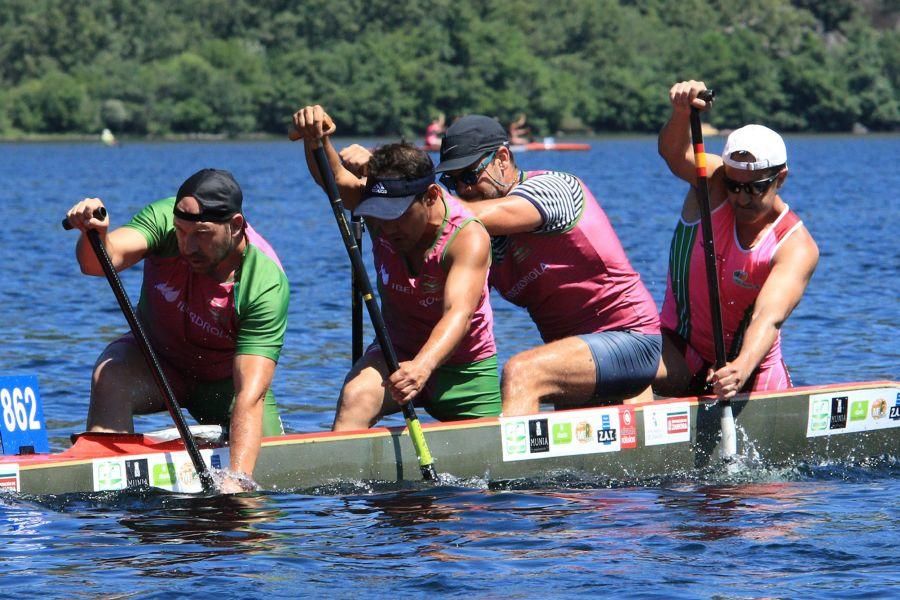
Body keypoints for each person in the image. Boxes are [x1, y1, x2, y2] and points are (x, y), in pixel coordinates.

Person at [65, 169, 289, 490]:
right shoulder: (164, 218)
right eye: (181, 232)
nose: (187, 246)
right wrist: (96, 235)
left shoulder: (264, 284)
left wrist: (237, 480)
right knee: (110, 371)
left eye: (201, 234)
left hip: (224, 388)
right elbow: (98, 262)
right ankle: (108, 495)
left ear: (236, 226)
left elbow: (249, 396)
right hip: (156, 364)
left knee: (261, 478)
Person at [432, 115, 662, 417]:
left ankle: (510, 466)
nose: (464, 189)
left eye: (470, 176)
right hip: (576, 360)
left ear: (502, 158)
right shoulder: (480, 240)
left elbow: (461, 216)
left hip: (632, 340)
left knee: (522, 372)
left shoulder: (554, 188)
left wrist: (418, 205)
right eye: (452, 182)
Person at [291, 105, 501, 431]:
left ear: (431, 196)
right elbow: (334, 180)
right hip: (395, 351)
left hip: (466, 366)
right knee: (355, 395)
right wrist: (315, 138)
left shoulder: (467, 236)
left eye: (400, 215)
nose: (387, 229)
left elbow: (458, 315)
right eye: (380, 215)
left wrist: (422, 366)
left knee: (495, 465)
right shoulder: (380, 215)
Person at [655, 80, 819, 401]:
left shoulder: (795, 246)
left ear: (781, 178)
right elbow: (673, 153)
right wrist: (680, 113)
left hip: (751, 372)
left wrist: (740, 368)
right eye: (735, 185)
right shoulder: (713, 183)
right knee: (627, 360)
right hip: (682, 352)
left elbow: (767, 317)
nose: (742, 198)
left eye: (756, 187)